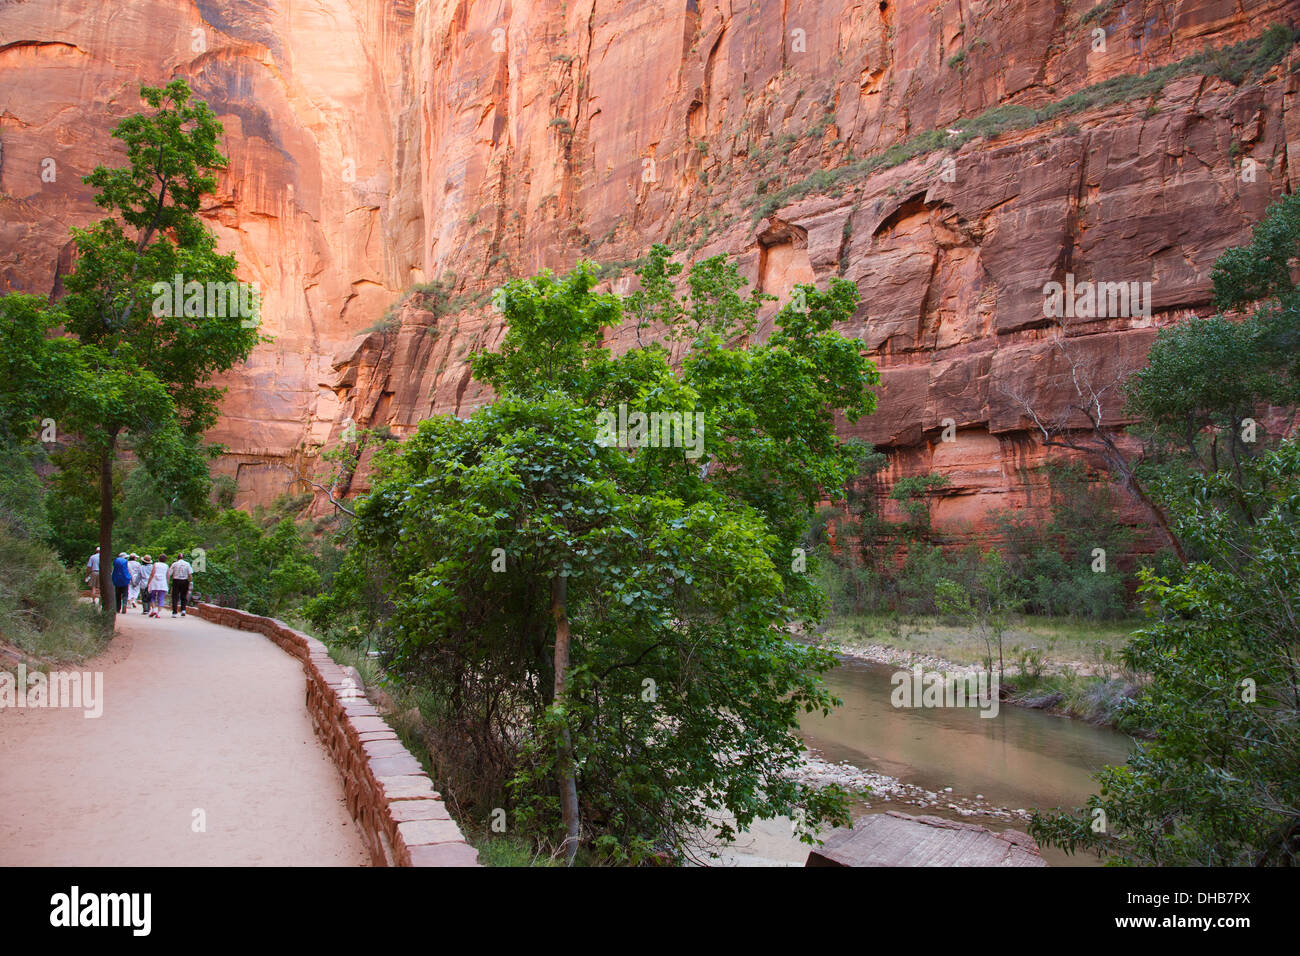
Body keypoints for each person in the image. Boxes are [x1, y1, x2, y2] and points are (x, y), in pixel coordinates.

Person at [168, 553, 193, 617]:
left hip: (176, 581)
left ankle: (174, 612)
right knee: (184, 595)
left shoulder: (174, 564)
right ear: (183, 558)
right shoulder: (187, 564)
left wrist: (167, 581)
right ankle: (183, 610)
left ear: (177, 558)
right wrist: (191, 582)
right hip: (184, 581)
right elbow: (190, 574)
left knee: (175, 597)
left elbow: (169, 573)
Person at [146, 554, 170, 619]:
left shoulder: (155, 564)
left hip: (154, 582)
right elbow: (168, 576)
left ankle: (153, 610)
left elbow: (152, 573)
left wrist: (148, 582)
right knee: (161, 598)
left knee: (152, 596)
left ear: (159, 559)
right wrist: (167, 584)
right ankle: (158, 613)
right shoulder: (166, 566)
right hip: (162, 583)